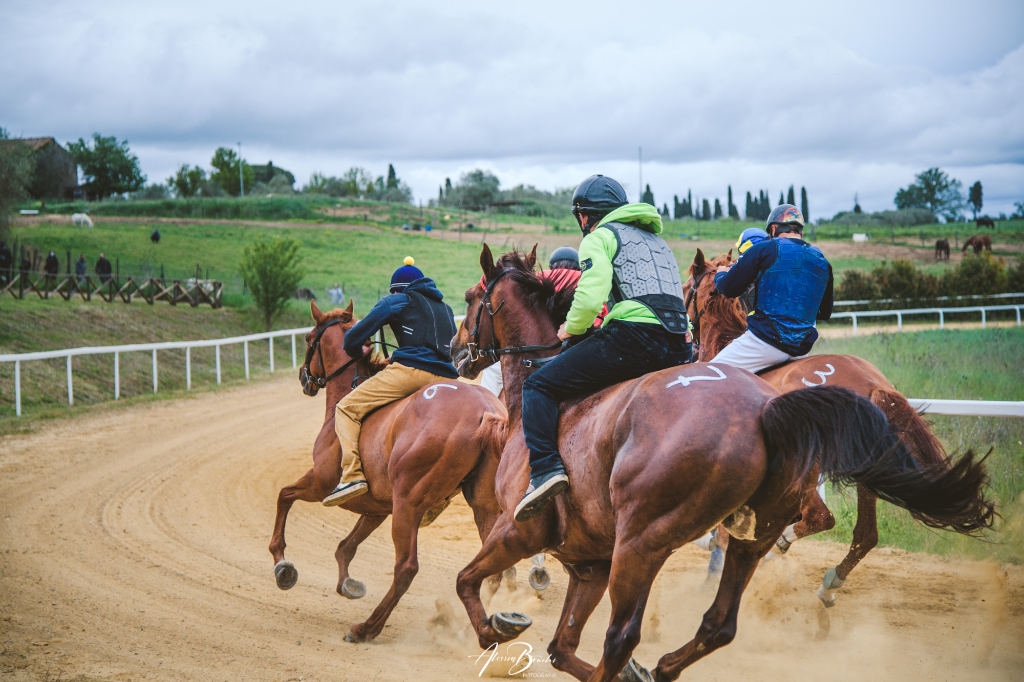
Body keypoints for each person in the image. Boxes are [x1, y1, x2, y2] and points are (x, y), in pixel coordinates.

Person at [514, 175, 693, 522]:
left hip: (635, 339)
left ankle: (545, 469)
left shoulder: (600, 237)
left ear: (583, 216)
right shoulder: (658, 240)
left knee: (538, 384)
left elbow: (591, 295)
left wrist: (571, 327)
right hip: (679, 346)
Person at [322, 256, 460, 506]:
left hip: (412, 373)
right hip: (449, 379)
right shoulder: (445, 308)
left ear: (396, 290)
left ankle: (352, 474)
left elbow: (352, 340)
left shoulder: (399, 299)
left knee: (346, 408)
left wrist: (356, 352)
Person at [710, 205, 833, 373]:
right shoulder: (823, 261)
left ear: (773, 229)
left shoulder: (765, 249)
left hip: (765, 342)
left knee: (710, 373)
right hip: (803, 349)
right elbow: (824, 313)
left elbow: (729, 289)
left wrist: (720, 275)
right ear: (801, 233)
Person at [478, 246, 603, 399]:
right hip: (597, 346)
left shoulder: (544, 277)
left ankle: (488, 407)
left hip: (557, 348)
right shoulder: (592, 282)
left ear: (552, 265)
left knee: (495, 368)